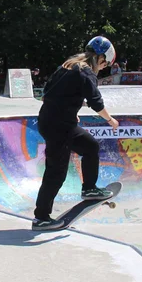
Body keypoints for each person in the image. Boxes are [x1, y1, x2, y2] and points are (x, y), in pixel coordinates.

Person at [32, 36, 119, 230]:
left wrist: (69, 110)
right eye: (104, 64)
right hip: (59, 126)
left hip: (54, 121)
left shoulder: (68, 66)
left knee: (90, 146)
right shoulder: (86, 72)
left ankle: (89, 188)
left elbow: (47, 92)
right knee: (56, 171)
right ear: (100, 57)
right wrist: (110, 119)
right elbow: (96, 101)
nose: (103, 67)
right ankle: (41, 218)